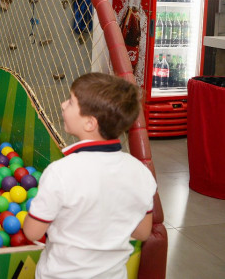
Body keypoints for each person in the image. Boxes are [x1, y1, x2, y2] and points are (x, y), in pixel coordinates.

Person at [23, 72, 157, 279]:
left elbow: (32, 232)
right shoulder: (141, 173)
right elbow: (142, 232)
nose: (63, 105)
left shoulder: (61, 172)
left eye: (71, 101)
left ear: (90, 123)